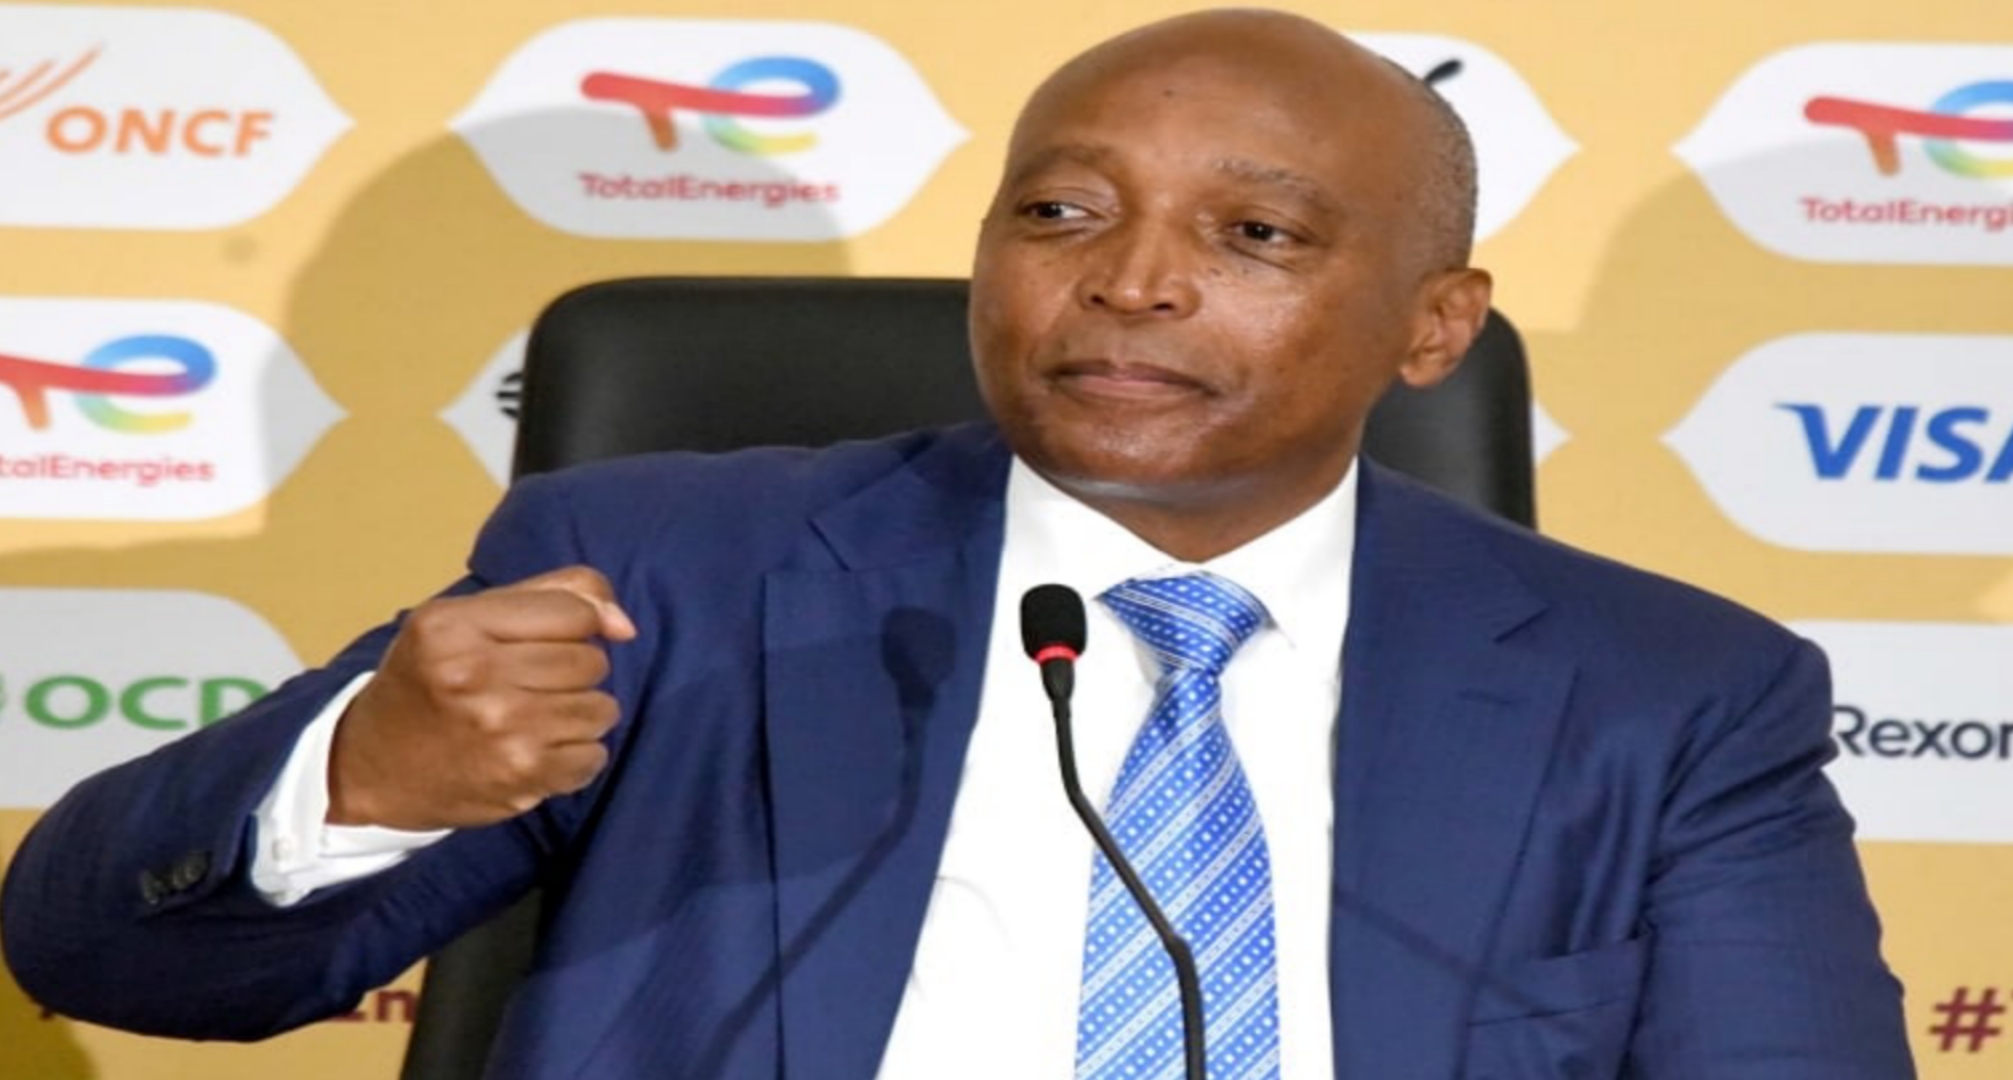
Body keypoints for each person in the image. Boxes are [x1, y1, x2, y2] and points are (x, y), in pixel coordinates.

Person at [2, 9, 1913, 1079]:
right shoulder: (667, 576)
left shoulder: (1668, 695)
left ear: (1433, 329)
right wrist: (361, 777)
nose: (1131, 283)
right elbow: (103, 954)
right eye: (1060, 213)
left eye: (1253, 237)